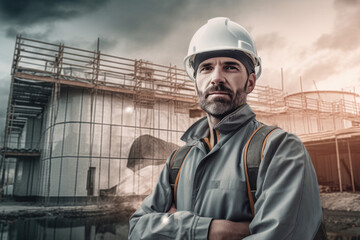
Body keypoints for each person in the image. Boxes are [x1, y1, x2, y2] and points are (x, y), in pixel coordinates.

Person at [129, 17, 325, 240]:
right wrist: (214, 231)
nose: (217, 78)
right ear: (196, 83)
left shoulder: (279, 149)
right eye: (206, 68)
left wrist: (170, 226)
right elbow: (136, 228)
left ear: (250, 82)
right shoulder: (178, 161)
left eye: (230, 67)